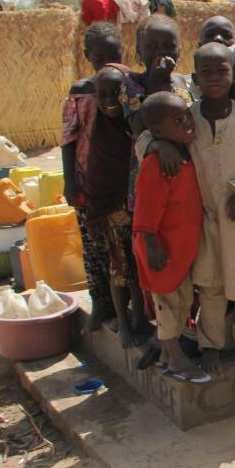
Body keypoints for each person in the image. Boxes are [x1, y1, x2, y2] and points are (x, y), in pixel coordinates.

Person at [144, 44, 235, 369]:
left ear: (233, 74)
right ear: (196, 78)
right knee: (211, 285)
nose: (215, 77)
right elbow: (147, 137)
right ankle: (211, 346)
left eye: (222, 71)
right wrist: (159, 145)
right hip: (205, 220)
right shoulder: (188, 118)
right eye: (207, 72)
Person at [132, 92, 204, 379]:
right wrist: (151, 243)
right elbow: (146, 209)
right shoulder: (157, 163)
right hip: (160, 248)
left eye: (187, 115)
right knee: (168, 306)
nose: (187, 122)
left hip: (179, 248)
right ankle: (175, 357)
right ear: (157, 132)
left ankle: (165, 355)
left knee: (182, 300)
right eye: (178, 120)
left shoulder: (184, 155)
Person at [62, 22, 122, 328]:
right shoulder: (81, 92)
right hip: (88, 181)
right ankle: (102, 305)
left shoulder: (128, 86)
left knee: (123, 250)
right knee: (94, 248)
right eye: (100, 59)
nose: (107, 66)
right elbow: (68, 138)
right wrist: (69, 180)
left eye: (114, 57)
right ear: (88, 57)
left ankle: (128, 310)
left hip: (121, 183)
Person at [86, 65, 140, 346]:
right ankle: (124, 322)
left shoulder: (137, 126)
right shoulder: (100, 135)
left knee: (140, 266)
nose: (108, 99)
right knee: (120, 267)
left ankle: (140, 317)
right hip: (113, 213)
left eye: (115, 93)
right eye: (101, 93)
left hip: (140, 212)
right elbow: (96, 178)